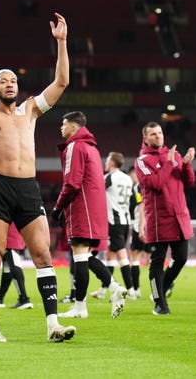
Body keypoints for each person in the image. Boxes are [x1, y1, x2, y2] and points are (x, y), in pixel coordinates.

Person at [0, 12, 75, 343]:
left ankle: (52, 324)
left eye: (14, 81)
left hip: (28, 189)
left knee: (42, 254)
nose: (11, 84)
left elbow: (62, 82)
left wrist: (62, 43)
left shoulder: (30, 111)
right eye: (4, 81)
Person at [52, 111, 128, 319]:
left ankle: (80, 307)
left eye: (64, 124)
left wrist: (58, 207)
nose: (61, 128)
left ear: (74, 127)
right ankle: (114, 288)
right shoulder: (92, 147)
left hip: (81, 207)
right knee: (87, 256)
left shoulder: (75, 146)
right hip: (95, 209)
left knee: (79, 257)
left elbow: (72, 182)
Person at [135, 122, 196, 315]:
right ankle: (159, 303)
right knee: (157, 261)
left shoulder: (175, 155)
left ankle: (161, 289)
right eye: (153, 134)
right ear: (145, 139)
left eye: (159, 133)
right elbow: (156, 183)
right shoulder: (142, 161)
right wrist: (170, 163)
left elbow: (189, 182)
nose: (157, 136)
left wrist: (186, 165)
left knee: (181, 258)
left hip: (179, 216)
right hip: (158, 219)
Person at [99, 152, 135, 299]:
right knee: (110, 254)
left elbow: (97, 193)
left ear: (112, 163)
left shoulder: (108, 178)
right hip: (126, 219)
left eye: (107, 160)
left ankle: (131, 290)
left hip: (114, 220)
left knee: (121, 253)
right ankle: (102, 291)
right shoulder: (128, 178)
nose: (105, 163)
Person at [128, 166, 149, 299]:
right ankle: (162, 288)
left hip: (139, 226)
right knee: (151, 259)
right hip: (151, 225)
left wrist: (141, 226)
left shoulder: (137, 188)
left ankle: (136, 290)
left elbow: (141, 206)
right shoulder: (148, 185)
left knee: (134, 257)